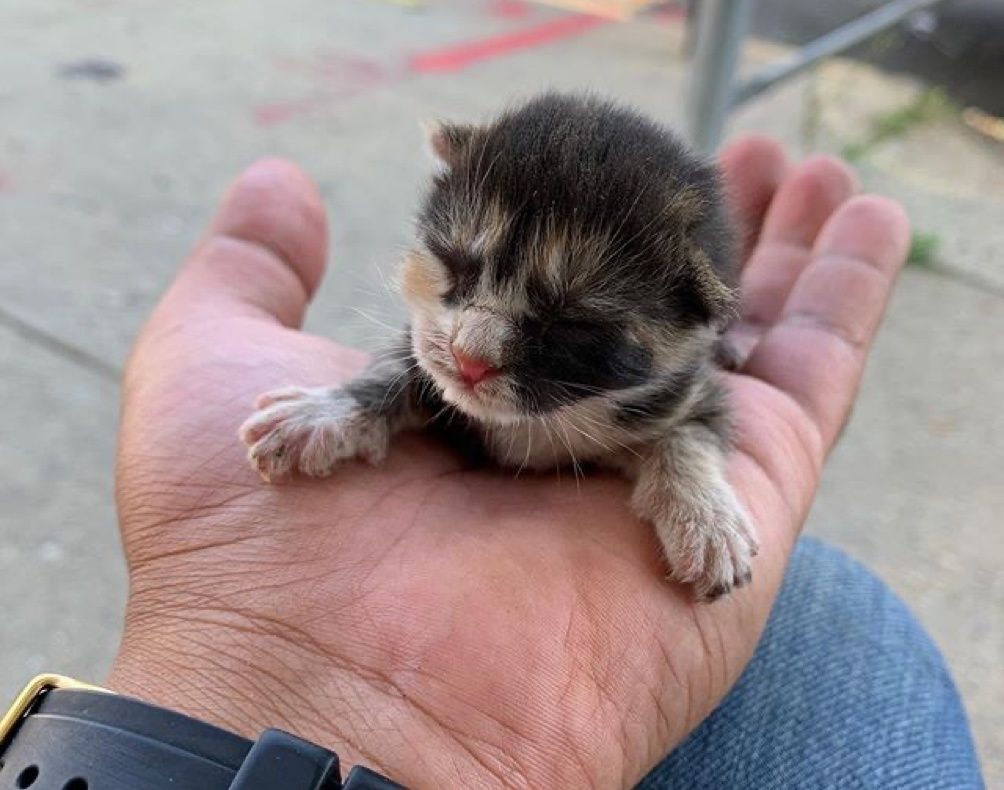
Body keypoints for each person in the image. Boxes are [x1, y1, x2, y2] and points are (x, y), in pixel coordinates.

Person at [104, 136, 983, 788]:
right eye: (454, 273)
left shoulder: (668, 384)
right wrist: (353, 409)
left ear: (699, 325)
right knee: (854, 619)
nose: (470, 347)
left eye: (568, 327)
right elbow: (413, 375)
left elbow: (689, 423)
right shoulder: (449, 350)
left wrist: (689, 481)